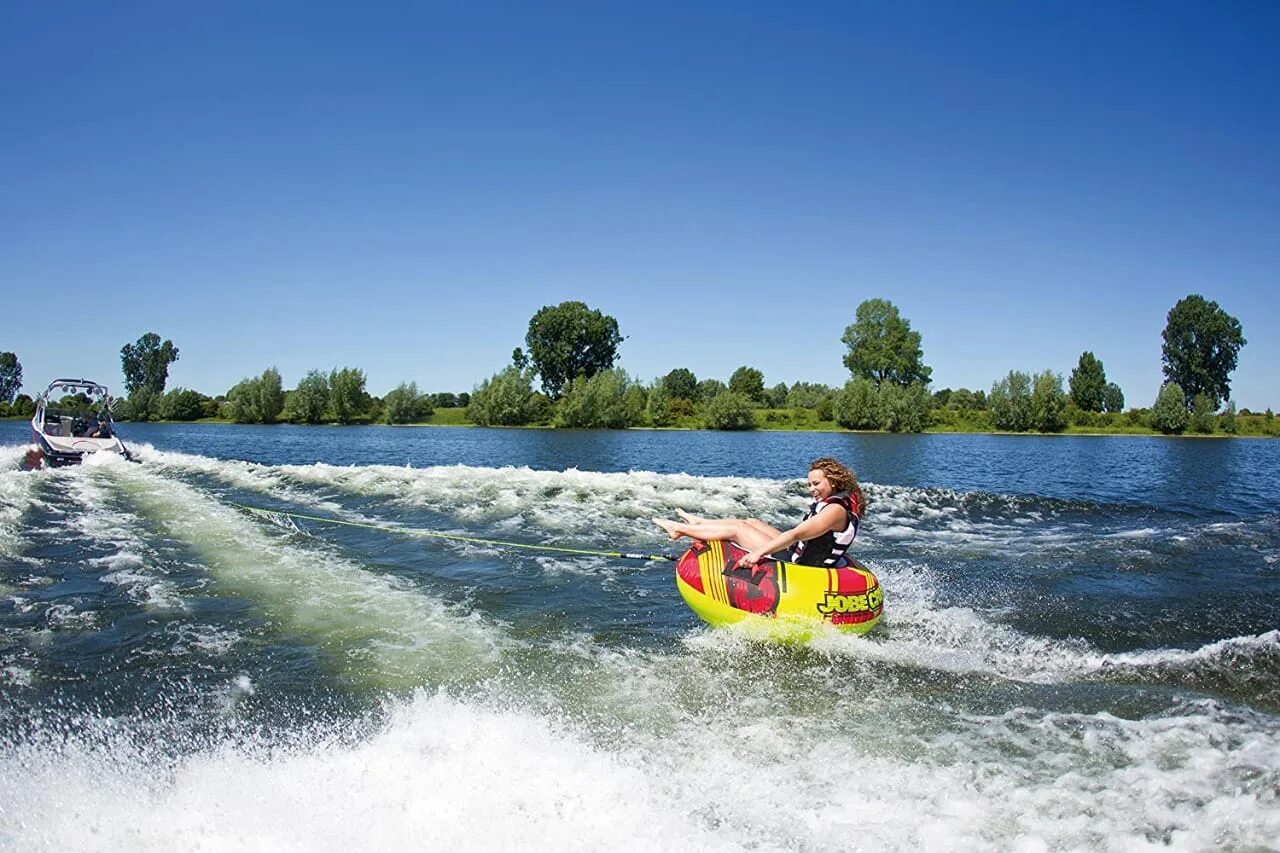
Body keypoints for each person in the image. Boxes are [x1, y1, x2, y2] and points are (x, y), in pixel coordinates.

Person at [653, 457, 866, 569]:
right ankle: (699, 522)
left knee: (738, 530)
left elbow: (796, 535)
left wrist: (758, 553)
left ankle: (680, 529)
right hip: (804, 551)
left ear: (834, 480)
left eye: (816, 483)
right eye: (809, 484)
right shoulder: (841, 501)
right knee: (751, 521)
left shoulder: (835, 510)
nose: (811, 489)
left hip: (802, 565)